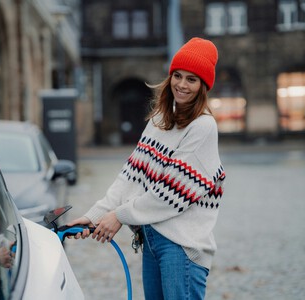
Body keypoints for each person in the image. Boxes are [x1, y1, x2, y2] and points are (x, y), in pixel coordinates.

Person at [67, 37, 226, 300]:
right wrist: (95, 216)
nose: (182, 85)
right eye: (178, 75)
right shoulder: (160, 120)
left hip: (181, 247)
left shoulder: (203, 127)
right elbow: (131, 176)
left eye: (192, 79)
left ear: (203, 86)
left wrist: (119, 216)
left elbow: (170, 193)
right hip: (152, 239)